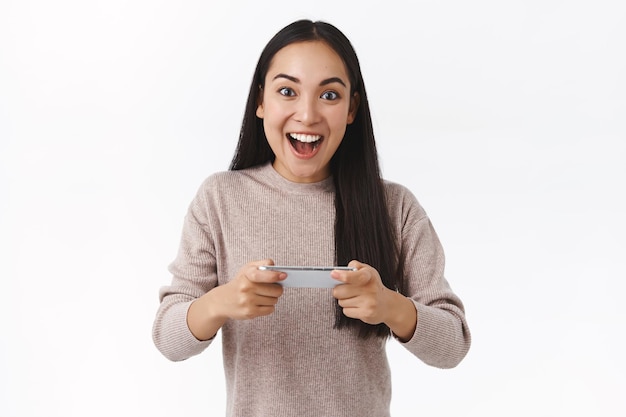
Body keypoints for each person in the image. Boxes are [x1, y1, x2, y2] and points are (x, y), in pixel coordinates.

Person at [152, 19, 471, 417]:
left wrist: (390, 307)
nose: (307, 114)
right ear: (261, 101)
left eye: (330, 95)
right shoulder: (220, 198)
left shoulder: (395, 207)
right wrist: (221, 302)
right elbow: (168, 337)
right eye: (287, 91)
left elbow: (453, 345)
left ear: (352, 108)